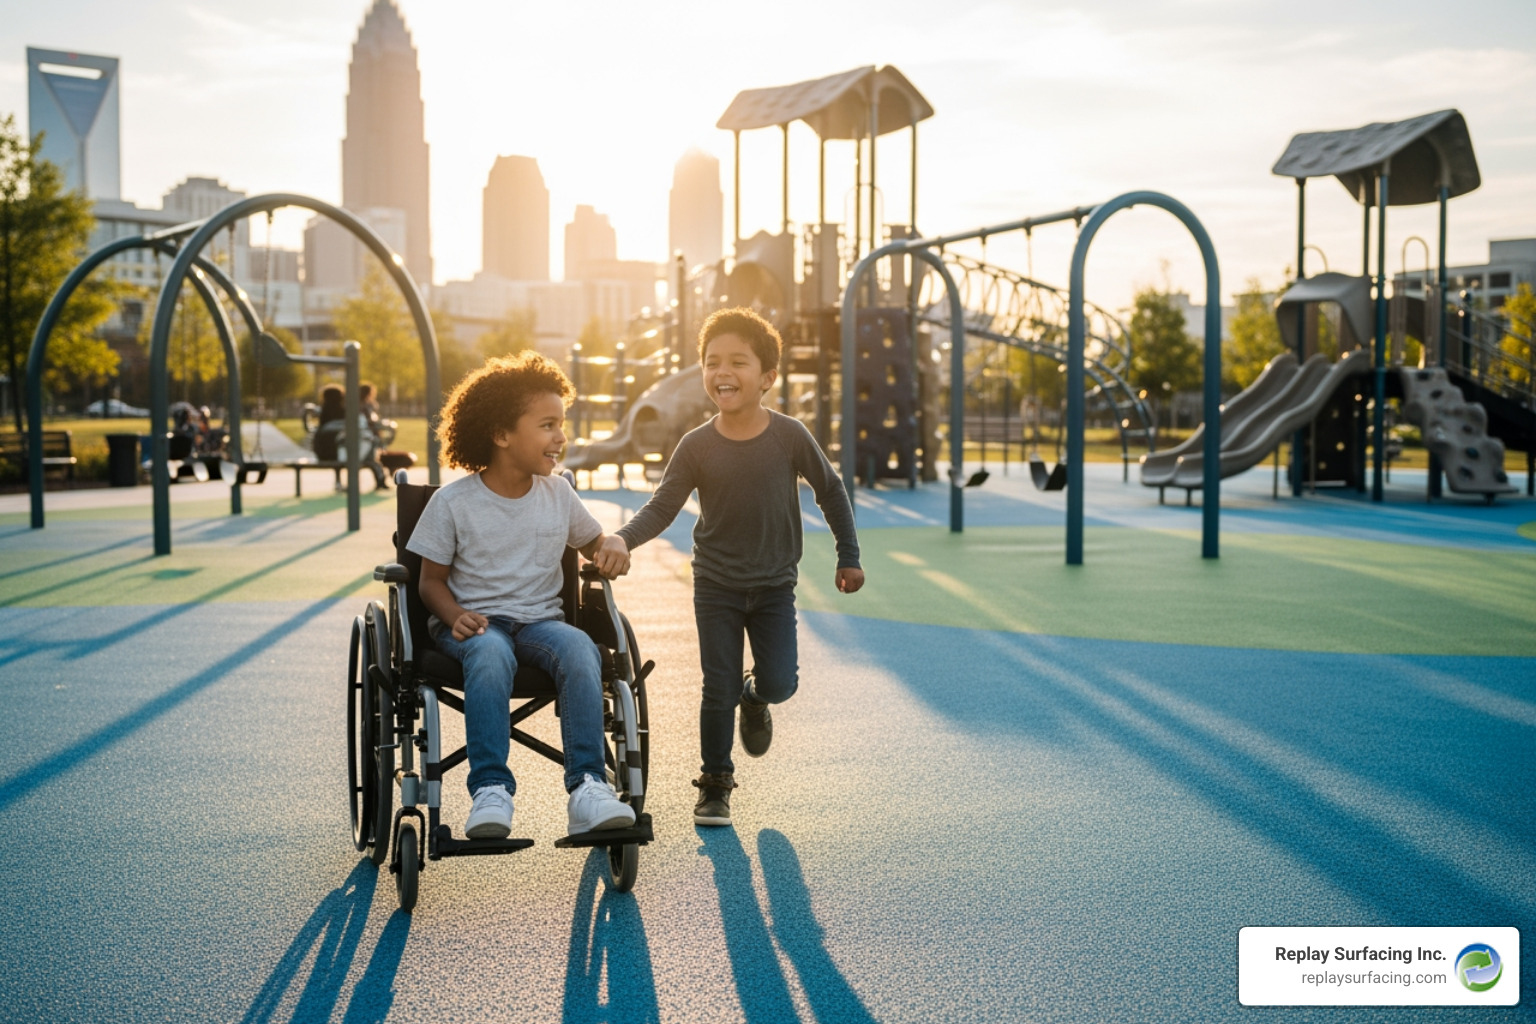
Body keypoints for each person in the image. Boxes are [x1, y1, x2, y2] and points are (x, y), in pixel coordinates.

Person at [590, 308, 864, 828]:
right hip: (715, 584)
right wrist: (622, 538)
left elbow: (830, 491)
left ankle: (755, 696)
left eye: (738, 361)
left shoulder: (788, 436)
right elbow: (662, 505)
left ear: (767, 378)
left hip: (773, 585)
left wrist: (848, 556)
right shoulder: (696, 445)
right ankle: (715, 783)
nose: (723, 371)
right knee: (716, 684)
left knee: (782, 682)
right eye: (713, 361)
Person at [407, 350, 637, 840]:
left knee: (579, 647)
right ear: (502, 434)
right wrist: (454, 616)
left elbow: (595, 543)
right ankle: (491, 790)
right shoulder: (453, 502)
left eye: (562, 423)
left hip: (540, 624)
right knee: (490, 653)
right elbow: (429, 581)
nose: (561, 437)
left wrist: (612, 543)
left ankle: (588, 789)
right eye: (548, 424)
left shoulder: (558, 494)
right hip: (475, 625)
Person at [314, 383, 387, 492]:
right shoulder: (346, 413)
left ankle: (339, 482)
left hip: (323, 454)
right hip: (342, 454)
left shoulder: (323, 415)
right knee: (362, 454)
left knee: (347, 451)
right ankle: (378, 479)